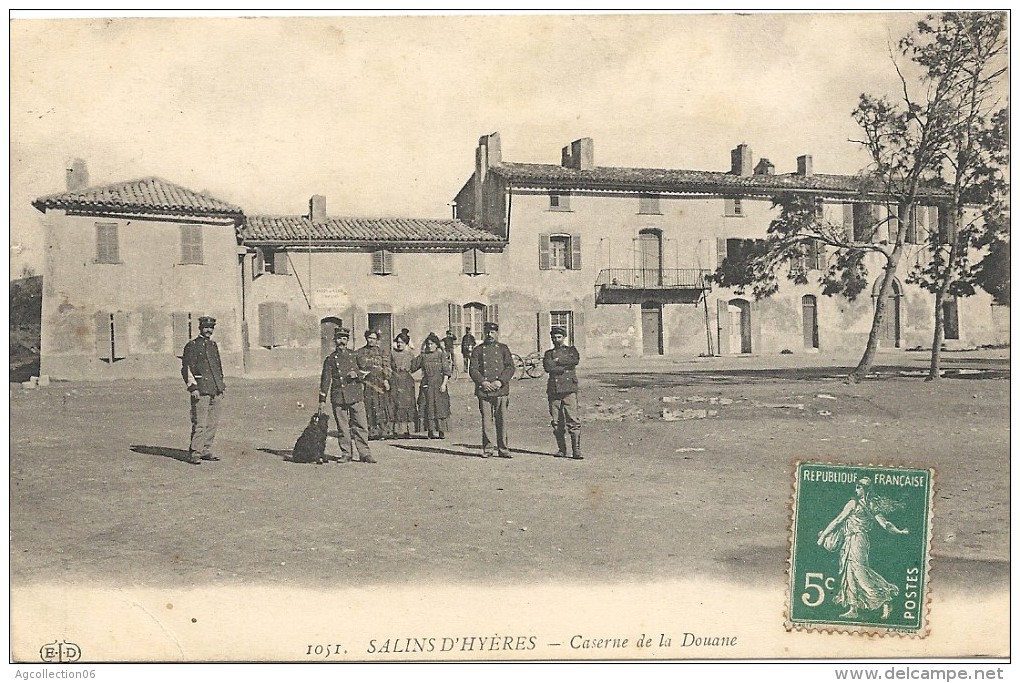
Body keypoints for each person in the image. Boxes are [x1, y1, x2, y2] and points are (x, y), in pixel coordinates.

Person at [817, 477, 909, 619]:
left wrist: (899, 531)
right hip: (849, 540)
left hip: (859, 540)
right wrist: (824, 535)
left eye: (859, 487)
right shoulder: (855, 503)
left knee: (860, 572)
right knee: (849, 573)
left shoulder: (866, 505)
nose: (856, 490)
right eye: (856, 487)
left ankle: (885, 598)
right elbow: (838, 520)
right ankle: (853, 608)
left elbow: (885, 524)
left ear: (865, 489)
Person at [318, 327, 376, 463]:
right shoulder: (331, 359)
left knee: (361, 425)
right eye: (339, 339)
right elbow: (325, 380)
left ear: (347, 341)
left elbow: (368, 370)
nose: (341, 342)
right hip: (338, 396)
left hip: (355, 395)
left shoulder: (355, 355)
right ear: (335, 340)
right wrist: (322, 400)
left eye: (344, 339)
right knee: (342, 427)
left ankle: (365, 453)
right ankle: (346, 453)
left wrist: (357, 375)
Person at [181, 315, 226, 465]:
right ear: (200, 328)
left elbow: (218, 368)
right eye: (206, 328)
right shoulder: (192, 345)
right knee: (200, 423)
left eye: (211, 328)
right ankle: (195, 452)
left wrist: (220, 386)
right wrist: (192, 387)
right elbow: (187, 368)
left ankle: (206, 450)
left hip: (215, 389)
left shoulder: (213, 345)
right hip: (201, 390)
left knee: (212, 423)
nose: (209, 330)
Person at [469, 321, 515, 458]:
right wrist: (482, 382)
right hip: (484, 390)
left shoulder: (503, 349)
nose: (490, 335)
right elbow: (473, 369)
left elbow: (510, 367)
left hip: (500, 389)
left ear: (497, 333)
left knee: (502, 420)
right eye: (487, 332)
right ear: (484, 333)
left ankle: (503, 449)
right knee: (487, 421)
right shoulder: (478, 350)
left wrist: (500, 381)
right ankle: (488, 449)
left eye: (492, 332)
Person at [543, 325, 582, 459]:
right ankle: (562, 449)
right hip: (554, 390)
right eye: (554, 337)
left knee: (573, 420)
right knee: (556, 421)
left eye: (559, 337)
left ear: (564, 337)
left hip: (569, 389)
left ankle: (576, 450)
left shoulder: (571, 350)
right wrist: (562, 367)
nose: (556, 339)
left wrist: (558, 361)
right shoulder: (548, 353)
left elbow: (574, 360)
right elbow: (548, 367)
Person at [412, 332, 453, 439]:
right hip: (427, 384)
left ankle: (441, 431)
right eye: (428, 344)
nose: (429, 346)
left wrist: (444, 384)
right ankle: (430, 430)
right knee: (428, 406)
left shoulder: (441, 355)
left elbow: (446, 372)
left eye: (431, 344)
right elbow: (412, 367)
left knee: (440, 407)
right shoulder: (423, 356)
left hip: (439, 384)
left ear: (436, 345)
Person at [356, 329, 392, 440]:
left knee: (381, 404)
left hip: (379, 382)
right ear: (366, 338)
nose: (371, 340)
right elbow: (358, 367)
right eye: (369, 338)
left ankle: (383, 431)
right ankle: (371, 431)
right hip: (367, 382)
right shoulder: (360, 352)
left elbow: (386, 366)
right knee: (369, 405)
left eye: (374, 338)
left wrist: (386, 379)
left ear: (377, 340)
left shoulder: (382, 352)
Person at [388, 331, 418, 438]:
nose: (399, 344)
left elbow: (414, 367)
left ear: (406, 344)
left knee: (407, 404)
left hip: (407, 381)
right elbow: (388, 367)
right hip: (395, 380)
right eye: (398, 342)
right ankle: (396, 430)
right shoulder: (392, 353)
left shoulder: (410, 355)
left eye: (402, 342)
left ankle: (407, 430)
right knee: (395, 403)